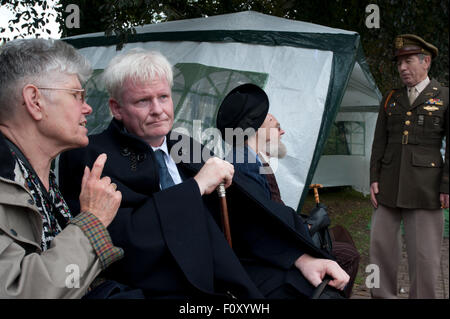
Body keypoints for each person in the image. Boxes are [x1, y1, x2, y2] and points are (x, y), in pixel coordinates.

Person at [58, 48, 349, 299]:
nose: (158, 110)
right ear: (116, 108)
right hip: (160, 285)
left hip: (224, 266)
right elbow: (121, 242)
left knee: (318, 289)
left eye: (163, 96)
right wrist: (195, 188)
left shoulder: (183, 145)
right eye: (143, 101)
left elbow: (242, 209)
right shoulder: (92, 155)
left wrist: (298, 257)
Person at [0, 39, 124, 298]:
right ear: (35, 101)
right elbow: (18, 292)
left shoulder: (41, 182)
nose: (87, 108)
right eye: (76, 95)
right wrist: (93, 221)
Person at [216, 83, 360, 298]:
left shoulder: (250, 160)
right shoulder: (244, 163)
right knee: (345, 256)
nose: (282, 131)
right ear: (257, 128)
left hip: (268, 250)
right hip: (258, 262)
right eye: (275, 124)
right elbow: (257, 229)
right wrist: (308, 227)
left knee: (341, 245)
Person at [369, 34, 448, 298]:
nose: (402, 67)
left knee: (424, 256)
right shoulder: (391, 97)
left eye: (408, 60)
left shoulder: (444, 96)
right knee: (379, 248)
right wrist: (373, 178)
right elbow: (379, 141)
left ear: (426, 62)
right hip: (388, 185)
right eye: (399, 62)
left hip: (426, 188)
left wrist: (447, 186)